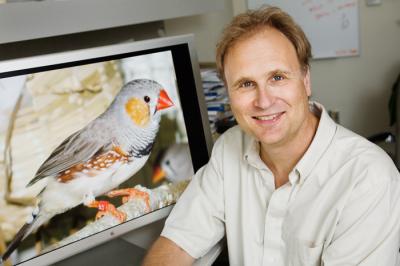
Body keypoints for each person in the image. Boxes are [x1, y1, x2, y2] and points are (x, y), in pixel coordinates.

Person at [142, 6, 400, 265]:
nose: (263, 102)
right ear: (229, 93)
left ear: (306, 80)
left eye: (277, 77)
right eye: (246, 84)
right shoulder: (230, 147)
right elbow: (176, 245)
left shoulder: (368, 178)